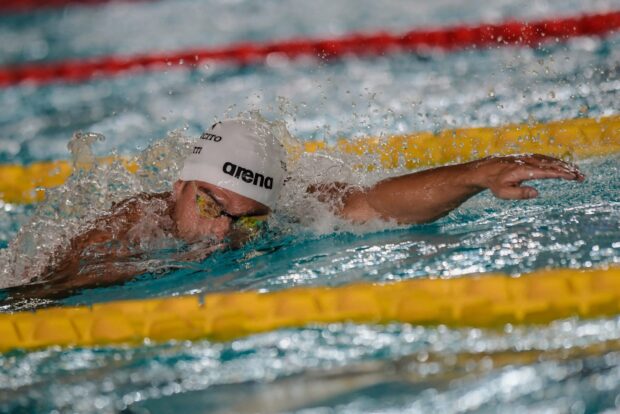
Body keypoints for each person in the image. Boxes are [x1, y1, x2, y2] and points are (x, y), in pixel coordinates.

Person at [5, 118, 585, 300]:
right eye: (210, 205)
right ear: (181, 185)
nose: (221, 230)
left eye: (246, 218)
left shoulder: (280, 215)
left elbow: (374, 203)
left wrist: (479, 175)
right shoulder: (126, 229)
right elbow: (37, 296)